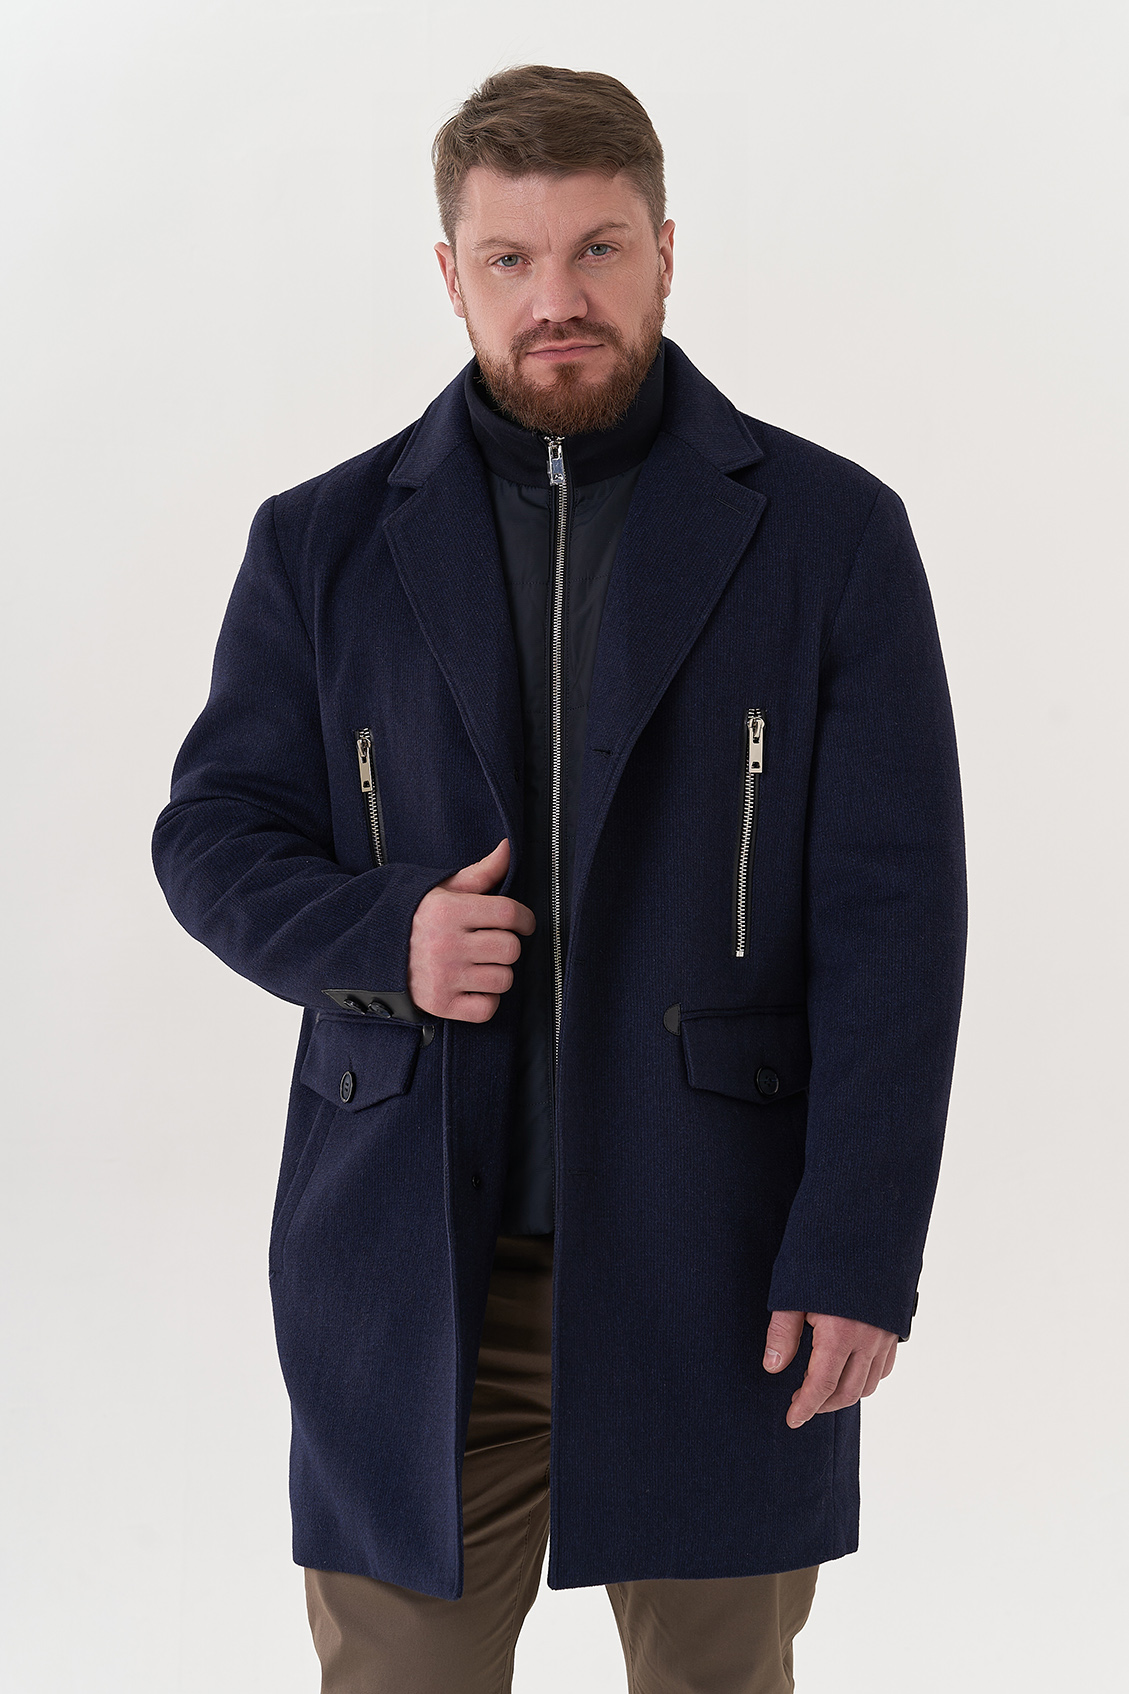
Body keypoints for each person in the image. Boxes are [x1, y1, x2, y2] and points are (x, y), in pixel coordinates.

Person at [152, 63, 966, 1694]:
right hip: (414, 1271)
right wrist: (387, 930)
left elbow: (898, 920)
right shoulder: (318, 541)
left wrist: (858, 1246)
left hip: (721, 1264)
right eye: (510, 259)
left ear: (664, 251)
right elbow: (213, 833)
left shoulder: (830, 534)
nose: (556, 300)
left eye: (597, 249)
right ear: (449, 273)